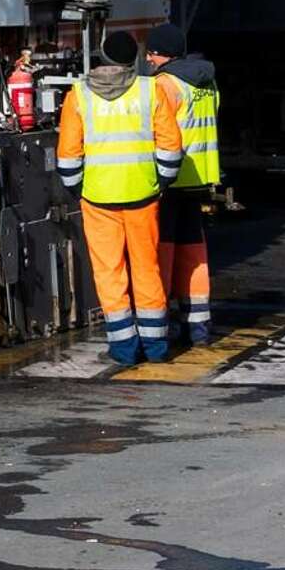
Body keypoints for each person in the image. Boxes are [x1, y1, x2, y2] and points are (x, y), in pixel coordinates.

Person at [57, 30, 185, 365]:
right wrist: (159, 183)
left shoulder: (78, 95)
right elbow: (171, 148)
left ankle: (124, 348)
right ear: (134, 59)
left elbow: (68, 157)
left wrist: (80, 190)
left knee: (109, 272)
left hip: (98, 199)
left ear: (103, 57)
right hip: (143, 195)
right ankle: (156, 347)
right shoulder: (151, 90)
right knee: (146, 268)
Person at [146, 24, 220, 347]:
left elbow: (157, 130)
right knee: (195, 252)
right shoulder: (207, 81)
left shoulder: (164, 84)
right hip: (200, 178)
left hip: (172, 179)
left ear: (160, 53)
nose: (148, 60)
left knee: (163, 251)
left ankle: (163, 323)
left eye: (150, 53)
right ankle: (199, 325)